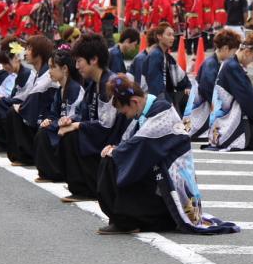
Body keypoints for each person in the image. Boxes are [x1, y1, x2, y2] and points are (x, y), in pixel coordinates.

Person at [94, 74, 239, 235]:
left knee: (115, 161)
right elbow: (133, 143)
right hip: (161, 176)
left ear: (134, 101)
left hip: (172, 185)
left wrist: (115, 151)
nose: (125, 115)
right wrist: (115, 149)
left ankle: (129, 220)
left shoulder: (162, 112)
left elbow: (141, 144)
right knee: (115, 159)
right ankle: (126, 218)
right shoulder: (147, 109)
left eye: (125, 110)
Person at [57, 33, 127, 202]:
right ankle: (82, 186)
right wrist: (70, 121)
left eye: (79, 61)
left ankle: (88, 188)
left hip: (113, 138)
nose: (76, 66)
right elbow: (83, 113)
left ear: (94, 59)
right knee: (67, 132)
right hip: (100, 134)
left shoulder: (111, 83)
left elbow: (106, 124)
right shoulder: (93, 84)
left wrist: (77, 126)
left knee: (72, 136)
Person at [205, 30, 253, 151]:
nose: (252, 62)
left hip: (220, 122)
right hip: (225, 125)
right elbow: (247, 97)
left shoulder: (230, 64)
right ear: (247, 52)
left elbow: (247, 92)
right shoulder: (232, 67)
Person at [33, 47, 84, 183]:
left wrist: (56, 123)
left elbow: (75, 115)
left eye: (52, 67)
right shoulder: (60, 90)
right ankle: (48, 172)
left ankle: (57, 172)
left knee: (47, 133)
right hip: (60, 125)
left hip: (72, 127)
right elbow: (54, 113)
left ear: (65, 68)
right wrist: (49, 120)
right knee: (42, 130)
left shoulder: (76, 88)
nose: (49, 71)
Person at [182, 29, 241, 140]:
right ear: (225, 48)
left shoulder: (214, 62)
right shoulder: (211, 65)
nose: (233, 56)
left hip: (199, 111)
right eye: (233, 52)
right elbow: (209, 90)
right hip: (201, 113)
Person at [5, 35, 55, 165]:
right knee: (12, 111)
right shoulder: (40, 72)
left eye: (29, 49)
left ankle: (28, 156)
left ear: (39, 53)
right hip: (39, 113)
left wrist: (21, 108)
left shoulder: (47, 74)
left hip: (47, 117)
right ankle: (20, 155)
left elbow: (35, 98)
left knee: (14, 112)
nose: (25, 53)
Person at [0, 39, 35, 152]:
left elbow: (21, 99)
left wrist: (0, 100)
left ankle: (4, 143)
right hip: (18, 103)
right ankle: (1, 143)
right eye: (2, 64)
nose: (4, 67)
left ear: (16, 58)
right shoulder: (20, 74)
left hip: (25, 107)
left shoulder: (26, 74)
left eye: (6, 63)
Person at [143, 23, 191, 111]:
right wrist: (166, 103)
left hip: (166, 95)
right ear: (159, 36)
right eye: (169, 35)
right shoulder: (156, 55)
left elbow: (180, 75)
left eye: (173, 35)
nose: (172, 38)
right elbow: (156, 85)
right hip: (155, 99)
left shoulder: (165, 55)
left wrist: (187, 86)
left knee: (189, 96)